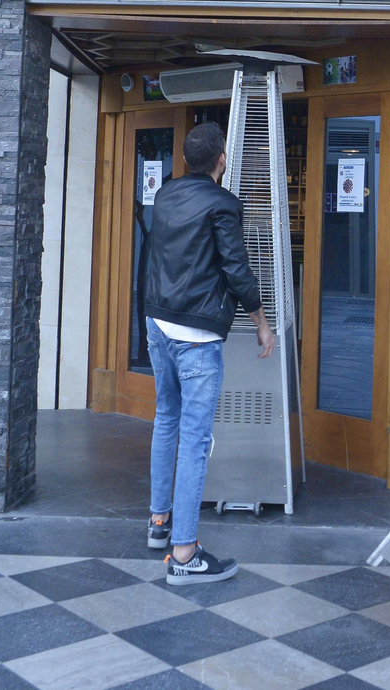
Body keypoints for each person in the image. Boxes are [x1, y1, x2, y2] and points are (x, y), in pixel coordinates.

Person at [142, 122, 274, 586]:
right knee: (195, 439)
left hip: (157, 322)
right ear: (222, 160)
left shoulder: (165, 195)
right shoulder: (224, 204)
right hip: (196, 334)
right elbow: (236, 269)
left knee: (166, 419)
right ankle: (184, 553)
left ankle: (159, 522)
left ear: (185, 160)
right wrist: (262, 322)